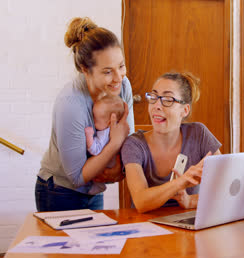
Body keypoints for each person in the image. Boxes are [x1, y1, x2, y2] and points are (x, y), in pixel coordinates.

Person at [35, 17, 135, 212]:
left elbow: (129, 141)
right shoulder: (70, 103)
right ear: (85, 70)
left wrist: (119, 170)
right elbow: (77, 176)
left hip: (94, 190)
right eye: (107, 71)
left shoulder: (123, 85)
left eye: (121, 66)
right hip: (60, 192)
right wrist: (114, 144)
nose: (118, 78)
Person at [121, 72, 221, 213]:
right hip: (147, 226)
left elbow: (225, 186)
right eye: (154, 97)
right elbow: (140, 201)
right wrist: (180, 183)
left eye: (168, 99)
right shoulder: (134, 144)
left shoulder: (199, 134)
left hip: (187, 223)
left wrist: (190, 201)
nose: (157, 105)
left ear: (185, 110)